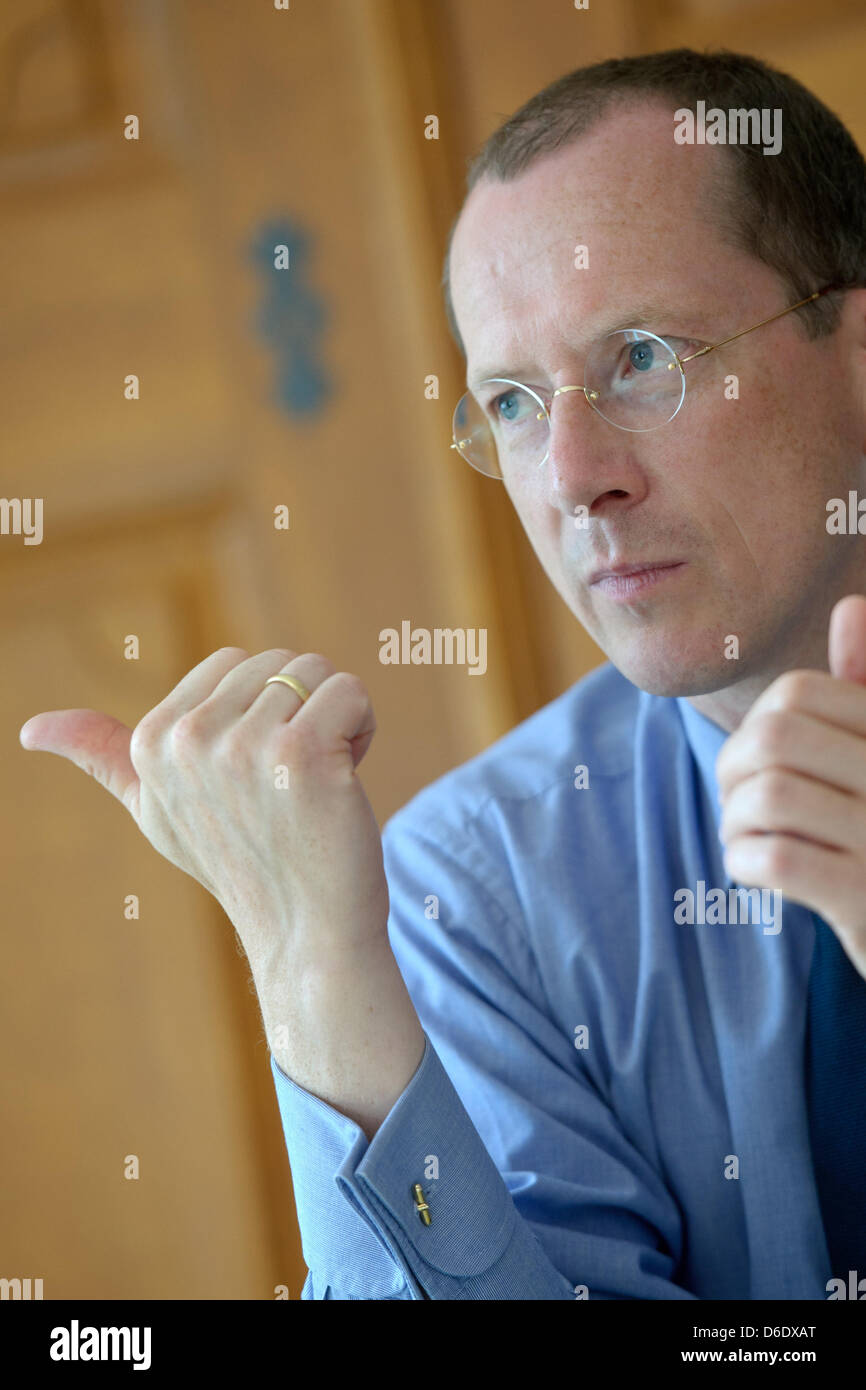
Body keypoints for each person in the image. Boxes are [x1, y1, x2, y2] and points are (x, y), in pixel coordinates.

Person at [20, 49, 866, 1301]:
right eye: (513, 403)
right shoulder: (479, 891)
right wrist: (319, 974)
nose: (574, 476)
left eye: (640, 356)